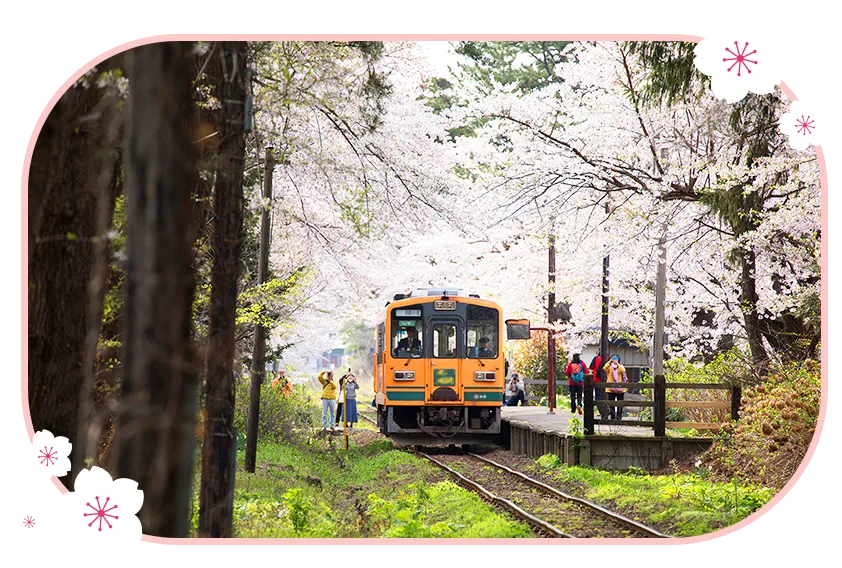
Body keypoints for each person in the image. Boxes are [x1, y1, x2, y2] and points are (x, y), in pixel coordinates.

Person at [603, 355, 628, 420]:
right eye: (613, 358)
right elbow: (604, 368)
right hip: (610, 388)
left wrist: (617, 364)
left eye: (616, 358)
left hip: (620, 388)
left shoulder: (620, 366)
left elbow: (623, 370)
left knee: (620, 403)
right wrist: (610, 362)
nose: (615, 359)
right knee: (611, 404)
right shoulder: (609, 367)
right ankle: (612, 416)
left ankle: (619, 417)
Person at [589, 353, 607, 419]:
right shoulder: (607, 359)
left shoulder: (596, 358)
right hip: (606, 381)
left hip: (596, 379)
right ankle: (606, 411)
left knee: (598, 396)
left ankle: (601, 411)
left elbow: (591, 367)